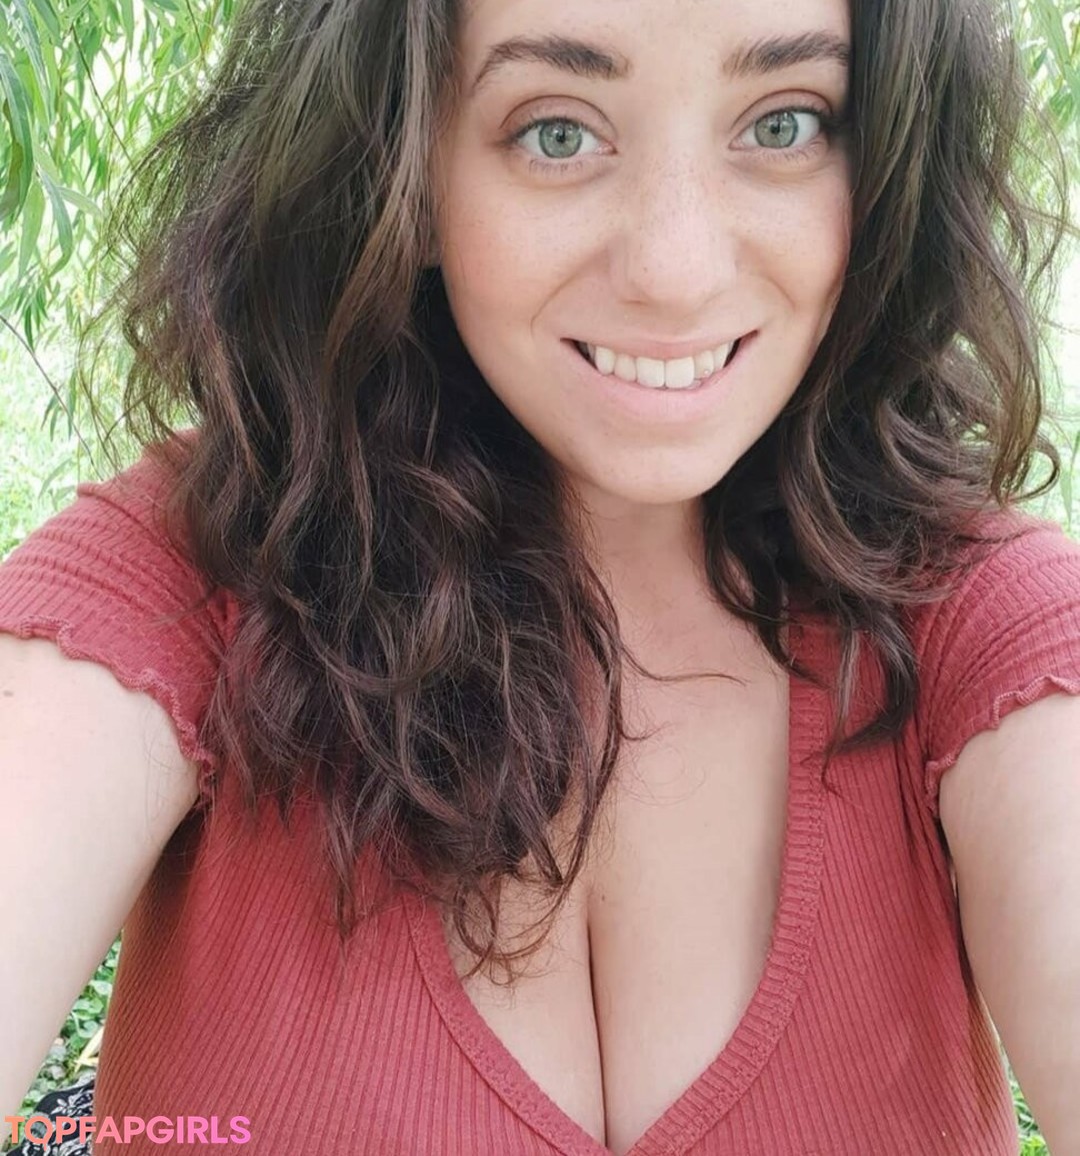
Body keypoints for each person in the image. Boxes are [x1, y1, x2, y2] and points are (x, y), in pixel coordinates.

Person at [1, 0, 1078, 1152]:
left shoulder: (987, 628)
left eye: (785, 123)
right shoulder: (181, 579)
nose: (674, 271)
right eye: (557, 132)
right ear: (404, 168)